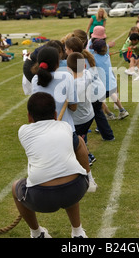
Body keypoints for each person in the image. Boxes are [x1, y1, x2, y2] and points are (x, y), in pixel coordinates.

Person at [12, 92, 90, 238]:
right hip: (77, 189)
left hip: (42, 198)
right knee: (68, 172)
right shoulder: (65, 126)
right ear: (55, 114)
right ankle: (78, 232)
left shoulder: (23, 131)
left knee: (15, 186)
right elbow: (76, 143)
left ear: (29, 116)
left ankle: (37, 233)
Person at [31, 46, 97, 191]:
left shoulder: (35, 79)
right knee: (79, 144)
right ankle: (89, 179)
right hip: (64, 129)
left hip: (41, 130)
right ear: (57, 63)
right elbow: (73, 107)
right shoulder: (67, 77)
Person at [67, 52, 102, 165]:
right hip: (89, 115)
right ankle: (87, 153)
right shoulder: (87, 73)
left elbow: (72, 106)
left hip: (79, 119)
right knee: (82, 136)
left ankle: (86, 157)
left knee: (77, 140)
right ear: (85, 66)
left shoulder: (74, 84)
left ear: (68, 68)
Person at [90, 37, 129, 120]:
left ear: (95, 51)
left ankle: (109, 114)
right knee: (113, 95)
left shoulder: (94, 58)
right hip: (112, 85)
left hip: (103, 87)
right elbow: (105, 48)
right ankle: (122, 110)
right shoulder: (107, 55)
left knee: (99, 101)